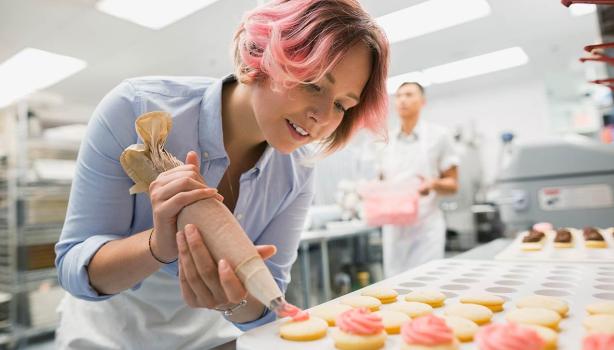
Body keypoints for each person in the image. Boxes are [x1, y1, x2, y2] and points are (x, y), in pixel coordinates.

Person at [53, 1, 390, 348]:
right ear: (254, 60)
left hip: (208, 338)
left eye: (341, 105)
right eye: (312, 84)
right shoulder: (135, 109)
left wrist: (235, 302)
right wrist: (157, 245)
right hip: (108, 334)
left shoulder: (297, 173)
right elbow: (73, 267)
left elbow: (266, 303)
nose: (322, 115)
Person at [380, 82, 459, 278]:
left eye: (409, 95)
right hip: (394, 230)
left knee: (427, 284)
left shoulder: (439, 136)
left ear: (422, 102)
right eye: (398, 96)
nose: (402, 100)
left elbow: (453, 184)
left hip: (426, 228)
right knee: (394, 286)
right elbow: (382, 181)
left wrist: (433, 184)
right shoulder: (385, 141)